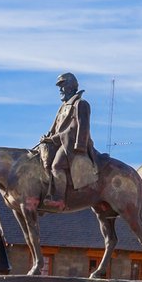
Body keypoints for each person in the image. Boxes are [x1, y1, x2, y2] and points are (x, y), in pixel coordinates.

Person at [38, 72, 94, 209]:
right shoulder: (63, 107)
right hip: (60, 142)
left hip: (72, 144)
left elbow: (80, 127)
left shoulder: (81, 104)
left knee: (57, 165)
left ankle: (59, 198)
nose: (60, 90)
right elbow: (55, 127)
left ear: (71, 86)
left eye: (63, 86)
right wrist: (47, 138)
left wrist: (79, 147)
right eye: (60, 87)